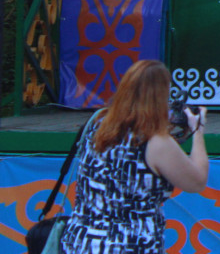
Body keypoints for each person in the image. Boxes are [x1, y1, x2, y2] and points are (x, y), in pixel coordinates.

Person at [60, 59, 208, 253]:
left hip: (81, 242)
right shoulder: (156, 142)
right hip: (129, 245)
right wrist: (198, 130)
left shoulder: (97, 124)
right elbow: (197, 181)